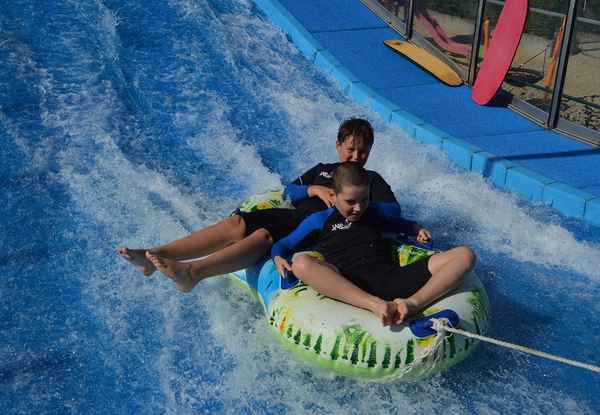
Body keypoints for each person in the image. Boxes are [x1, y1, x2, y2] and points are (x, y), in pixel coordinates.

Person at [118, 118, 419, 292]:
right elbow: (288, 192)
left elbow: (393, 211)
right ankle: (154, 255)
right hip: (297, 213)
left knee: (263, 236)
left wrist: (352, 205)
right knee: (238, 223)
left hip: (317, 228)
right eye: (351, 149)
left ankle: (193, 272)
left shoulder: (369, 180)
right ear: (338, 146)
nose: (355, 157)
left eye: (363, 152)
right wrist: (314, 189)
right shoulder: (323, 170)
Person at [272, 162, 476, 327]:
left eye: (364, 199)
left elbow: (394, 222)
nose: (358, 208)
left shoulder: (374, 211)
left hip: (393, 279)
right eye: (350, 201)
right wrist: (278, 257)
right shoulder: (319, 220)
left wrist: (415, 227)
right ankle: (376, 304)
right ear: (333, 196)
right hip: (352, 284)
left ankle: (413, 303)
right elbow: (285, 244)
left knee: (465, 254)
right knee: (301, 264)